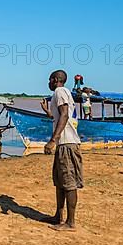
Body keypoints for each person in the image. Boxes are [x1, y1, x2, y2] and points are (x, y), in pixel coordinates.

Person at [40, 70, 83, 232]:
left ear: (56, 80)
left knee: (69, 183)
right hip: (63, 144)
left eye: (50, 79)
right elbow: (61, 116)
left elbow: (64, 115)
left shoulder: (60, 91)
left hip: (67, 144)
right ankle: (58, 216)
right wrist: (48, 112)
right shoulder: (62, 93)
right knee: (60, 182)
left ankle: (70, 222)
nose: (48, 82)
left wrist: (53, 140)